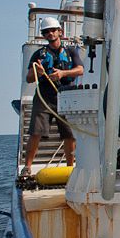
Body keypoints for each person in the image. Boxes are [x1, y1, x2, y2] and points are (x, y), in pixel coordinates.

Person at [23, 17, 84, 175]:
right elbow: (29, 78)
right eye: (46, 32)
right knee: (36, 132)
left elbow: (80, 70)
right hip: (44, 97)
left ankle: (70, 168)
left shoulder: (70, 52)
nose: (50, 33)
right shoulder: (39, 54)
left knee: (69, 134)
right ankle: (27, 167)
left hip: (66, 96)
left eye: (52, 30)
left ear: (60, 32)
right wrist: (37, 72)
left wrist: (63, 73)